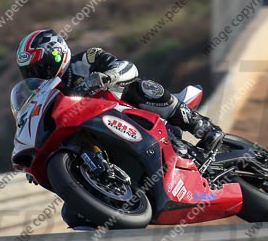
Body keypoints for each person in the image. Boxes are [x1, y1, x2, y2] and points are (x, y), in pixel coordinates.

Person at [15, 29, 223, 151]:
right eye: (30, 72)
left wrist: (107, 77)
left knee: (139, 87)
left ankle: (200, 125)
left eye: (39, 67)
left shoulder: (86, 59)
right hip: (100, 131)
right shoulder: (49, 96)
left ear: (56, 54)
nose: (37, 75)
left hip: (125, 108)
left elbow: (127, 67)